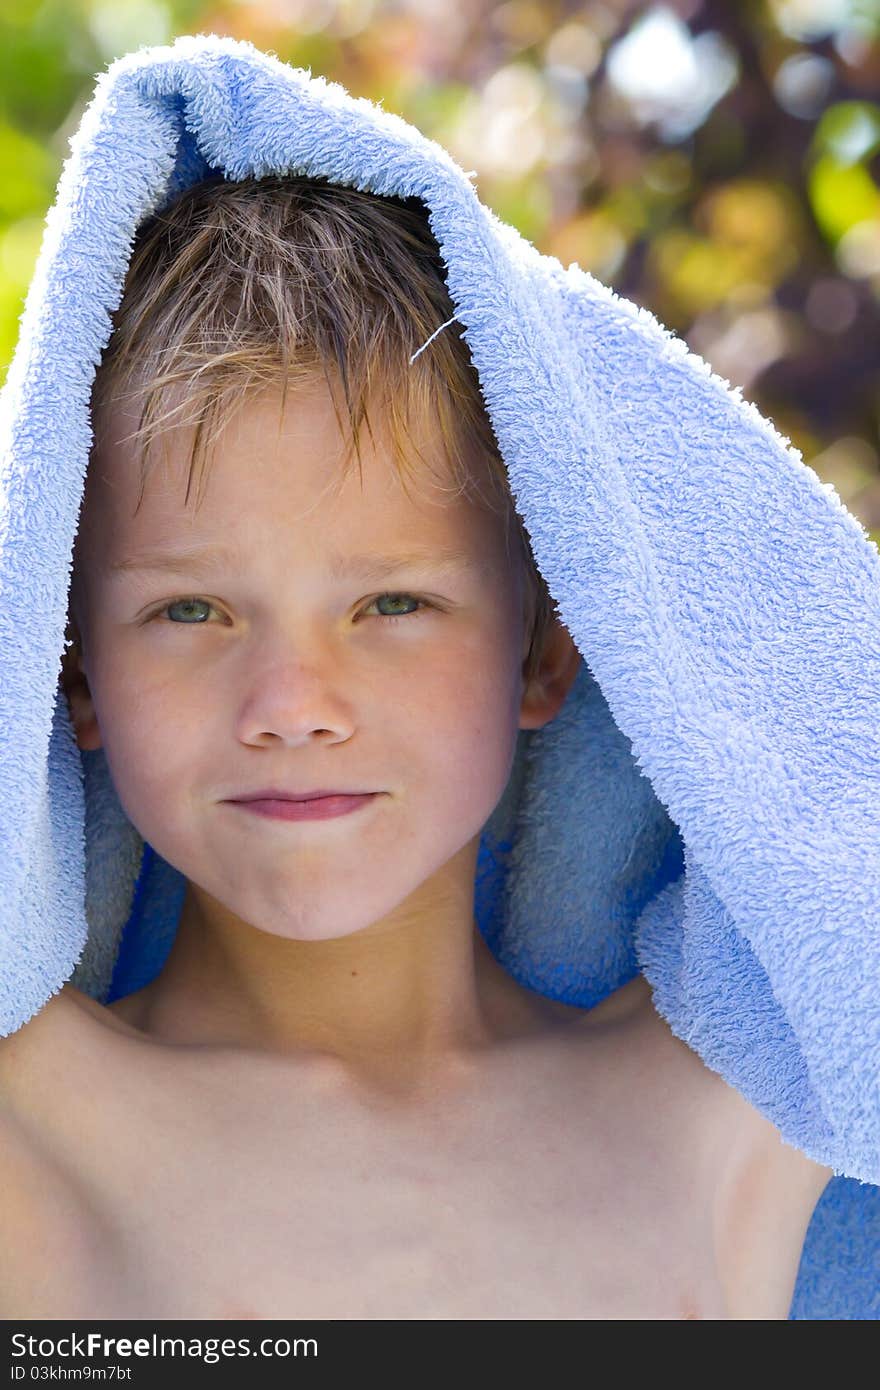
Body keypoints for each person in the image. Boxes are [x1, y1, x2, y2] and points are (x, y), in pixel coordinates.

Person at [0, 172, 833, 1320]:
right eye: (190, 611)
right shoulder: (28, 1139)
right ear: (73, 670)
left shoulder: (726, 1104)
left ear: (545, 651)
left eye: (392, 603)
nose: (291, 704)